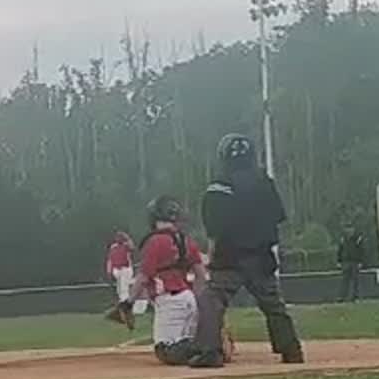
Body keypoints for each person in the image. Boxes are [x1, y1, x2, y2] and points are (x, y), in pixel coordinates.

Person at [191, 134, 303, 366]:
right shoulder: (264, 182)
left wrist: (212, 260)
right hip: (261, 256)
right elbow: (277, 218)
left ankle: (210, 352)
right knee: (273, 304)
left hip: (229, 257)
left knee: (211, 301)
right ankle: (291, 350)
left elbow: (214, 230)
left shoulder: (218, 187)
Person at [135, 197, 209, 365]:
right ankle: (205, 345)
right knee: (184, 340)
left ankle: (209, 349)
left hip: (170, 300)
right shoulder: (186, 240)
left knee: (166, 351)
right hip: (188, 297)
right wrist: (197, 300)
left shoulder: (155, 241)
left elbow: (143, 277)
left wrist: (128, 301)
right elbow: (201, 275)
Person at [103, 231, 145, 331]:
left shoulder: (126, 245)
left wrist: (127, 237)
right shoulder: (113, 247)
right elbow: (110, 259)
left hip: (125, 269)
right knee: (120, 290)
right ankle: (123, 309)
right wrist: (109, 270)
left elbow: (132, 247)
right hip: (116, 269)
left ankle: (125, 310)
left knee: (124, 290)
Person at [337, 225, 368, 303]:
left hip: (355, 262)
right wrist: (339, 261)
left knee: (355, 281)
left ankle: (355, 297)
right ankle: (342, 297)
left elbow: (361, 250)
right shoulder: (343, 239)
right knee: (344, 281)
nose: (349, 231)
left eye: (350, 229)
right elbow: (339, 250)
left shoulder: (357, 239)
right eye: (347, 229)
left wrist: (361, 261)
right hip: (346, 262)